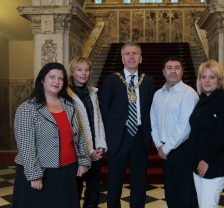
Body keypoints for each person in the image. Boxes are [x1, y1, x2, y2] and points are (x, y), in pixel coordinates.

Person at [12, 62, 91, 208]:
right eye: (52, 77)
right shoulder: (27, 108)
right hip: (41, 173)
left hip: (68, 172)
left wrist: (83, 161)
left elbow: (79, 137)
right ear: (42, 80)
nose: (56, 81)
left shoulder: (69, 106)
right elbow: (26, 146)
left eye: (60, 78)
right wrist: (34, 175)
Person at [99, 43, 155, 208]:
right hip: (118, 137)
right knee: (114, 181)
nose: (131, 57)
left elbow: (152, 110)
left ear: (140, 58)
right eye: (128, 54)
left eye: (135, 53)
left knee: (139, 182)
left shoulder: (148, 81)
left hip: (139, 136)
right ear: (123, 58)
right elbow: (104, 111)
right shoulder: (111, 80)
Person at [150, 56, 199, 208]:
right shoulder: (158, 94)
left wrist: (166, 148)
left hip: (183, 150)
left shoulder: (188, 93)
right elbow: (153, 122)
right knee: (171, 193)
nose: (173, 71)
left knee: (186, 194)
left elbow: (184, 126)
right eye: (169, 68)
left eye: (177, 67)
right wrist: (159, 144)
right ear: (163, 72)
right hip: (164, 150)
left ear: (182, 71)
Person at [189, 60, 224, 208]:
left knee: (207, 205)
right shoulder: (202, 99)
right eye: (204, 77)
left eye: (212, 77)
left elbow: (222, 134)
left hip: (214, 163)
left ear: (219, 80)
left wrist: (206, 161)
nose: (207, 81)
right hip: (199, 162)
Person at [67, 57, 107, 208]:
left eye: (87, 69)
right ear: (72, 72)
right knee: (75, 191)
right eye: (79, 69)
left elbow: (98, 121)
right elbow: (74, 129)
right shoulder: (66, 95)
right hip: (77, 151)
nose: (84, 73)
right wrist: (89, 151)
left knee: (94, 192)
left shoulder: (93, 93)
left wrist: (101, 146)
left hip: (95, 150)